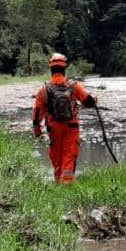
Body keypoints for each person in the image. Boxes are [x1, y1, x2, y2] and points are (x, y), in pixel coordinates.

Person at [32, 53, 98, 184]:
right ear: (64, 69)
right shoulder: (74, 86)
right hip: (71, 127)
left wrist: (38, 132)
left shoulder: (44, 90)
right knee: (69, 155)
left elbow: (36, 114)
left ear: (51, 69)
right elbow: (89, 102)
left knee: (56, 157)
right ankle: (67, 185)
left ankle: (58, 183)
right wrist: (96, 99)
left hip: (53, 128)